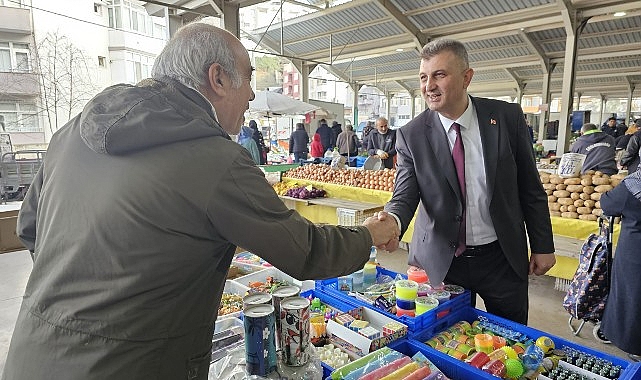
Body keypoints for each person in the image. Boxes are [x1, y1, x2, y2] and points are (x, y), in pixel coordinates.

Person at [1, 22, 400, 380]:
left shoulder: (72, 132)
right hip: (134, 364)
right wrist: (367, 233)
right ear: (218, 78)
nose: (252, 93)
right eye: (246, 79)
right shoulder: (214, 158)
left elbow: (31, 228)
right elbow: (307, 252)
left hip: (32, 353)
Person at [380, 38, 556, 325]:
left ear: (467, 77)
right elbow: (405, 194)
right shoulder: (411, 134)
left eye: (440, 74)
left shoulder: (506, 117)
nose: (429, 86)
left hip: (501, 257)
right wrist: (392, 224)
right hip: (442, 261)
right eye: (424, 77)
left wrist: (542, 244)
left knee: (510, 339)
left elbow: (529, 186)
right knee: (446, 340)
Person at [600, 170, 641, 362]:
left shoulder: (634, 184)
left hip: (635, 255)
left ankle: (633, 344)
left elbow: (608, 204)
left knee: (633, 297)